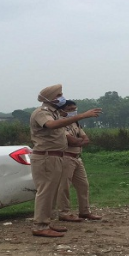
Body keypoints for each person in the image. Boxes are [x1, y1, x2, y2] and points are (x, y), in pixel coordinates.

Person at [29, 84, 102, 237]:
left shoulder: (55, 113)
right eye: (58, 95)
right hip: (45, 156)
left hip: (55, 156)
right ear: (49, 98)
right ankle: (40, 225)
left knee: (52, 192)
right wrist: (81, 115)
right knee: (46, 192)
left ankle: (46, 222)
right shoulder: (42, 112)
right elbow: (51, 125)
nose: (62, 97)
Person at [55, 100, 102, 222]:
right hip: (66, 157)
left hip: (77, 157)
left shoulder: (75, 123)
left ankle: (85, 211)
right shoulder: (59, 124)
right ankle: (64, 212)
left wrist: (78, 141)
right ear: (62, 110)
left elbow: (86, 139)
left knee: (83, 185)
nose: (73, 112)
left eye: (74, 109)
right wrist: (78, 141)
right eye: (70, 109)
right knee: (64, 186)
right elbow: (72, 141)